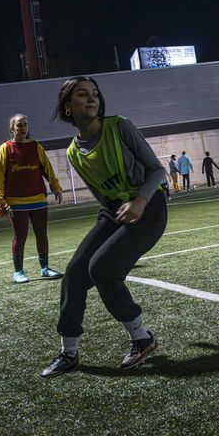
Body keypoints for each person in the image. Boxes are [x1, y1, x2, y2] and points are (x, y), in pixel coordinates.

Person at [42, 77, 167, 378]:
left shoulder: (120, 126)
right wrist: (110, 218)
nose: (91, 99)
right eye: (82, 95)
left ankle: (142, 338)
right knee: (74, 272)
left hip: (149, 209)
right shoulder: (73, 152)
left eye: (94, 94)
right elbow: (101, 194)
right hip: (113, 211)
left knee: (102, 269)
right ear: (68, 108)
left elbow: (158, 170)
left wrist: (139, 201)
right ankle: (68, 352)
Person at [0, 113, 64, 284]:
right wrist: (0, 199)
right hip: (16, 202)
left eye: (25, 124)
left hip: (38, 198)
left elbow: (47, 168)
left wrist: (55, 187)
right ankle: (18, 272)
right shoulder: (5, 149)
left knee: (42, 235)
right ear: (12, 129)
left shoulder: (36, 147)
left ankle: (45, 269)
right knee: (20, 236)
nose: (23, 127)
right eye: (19, 125)